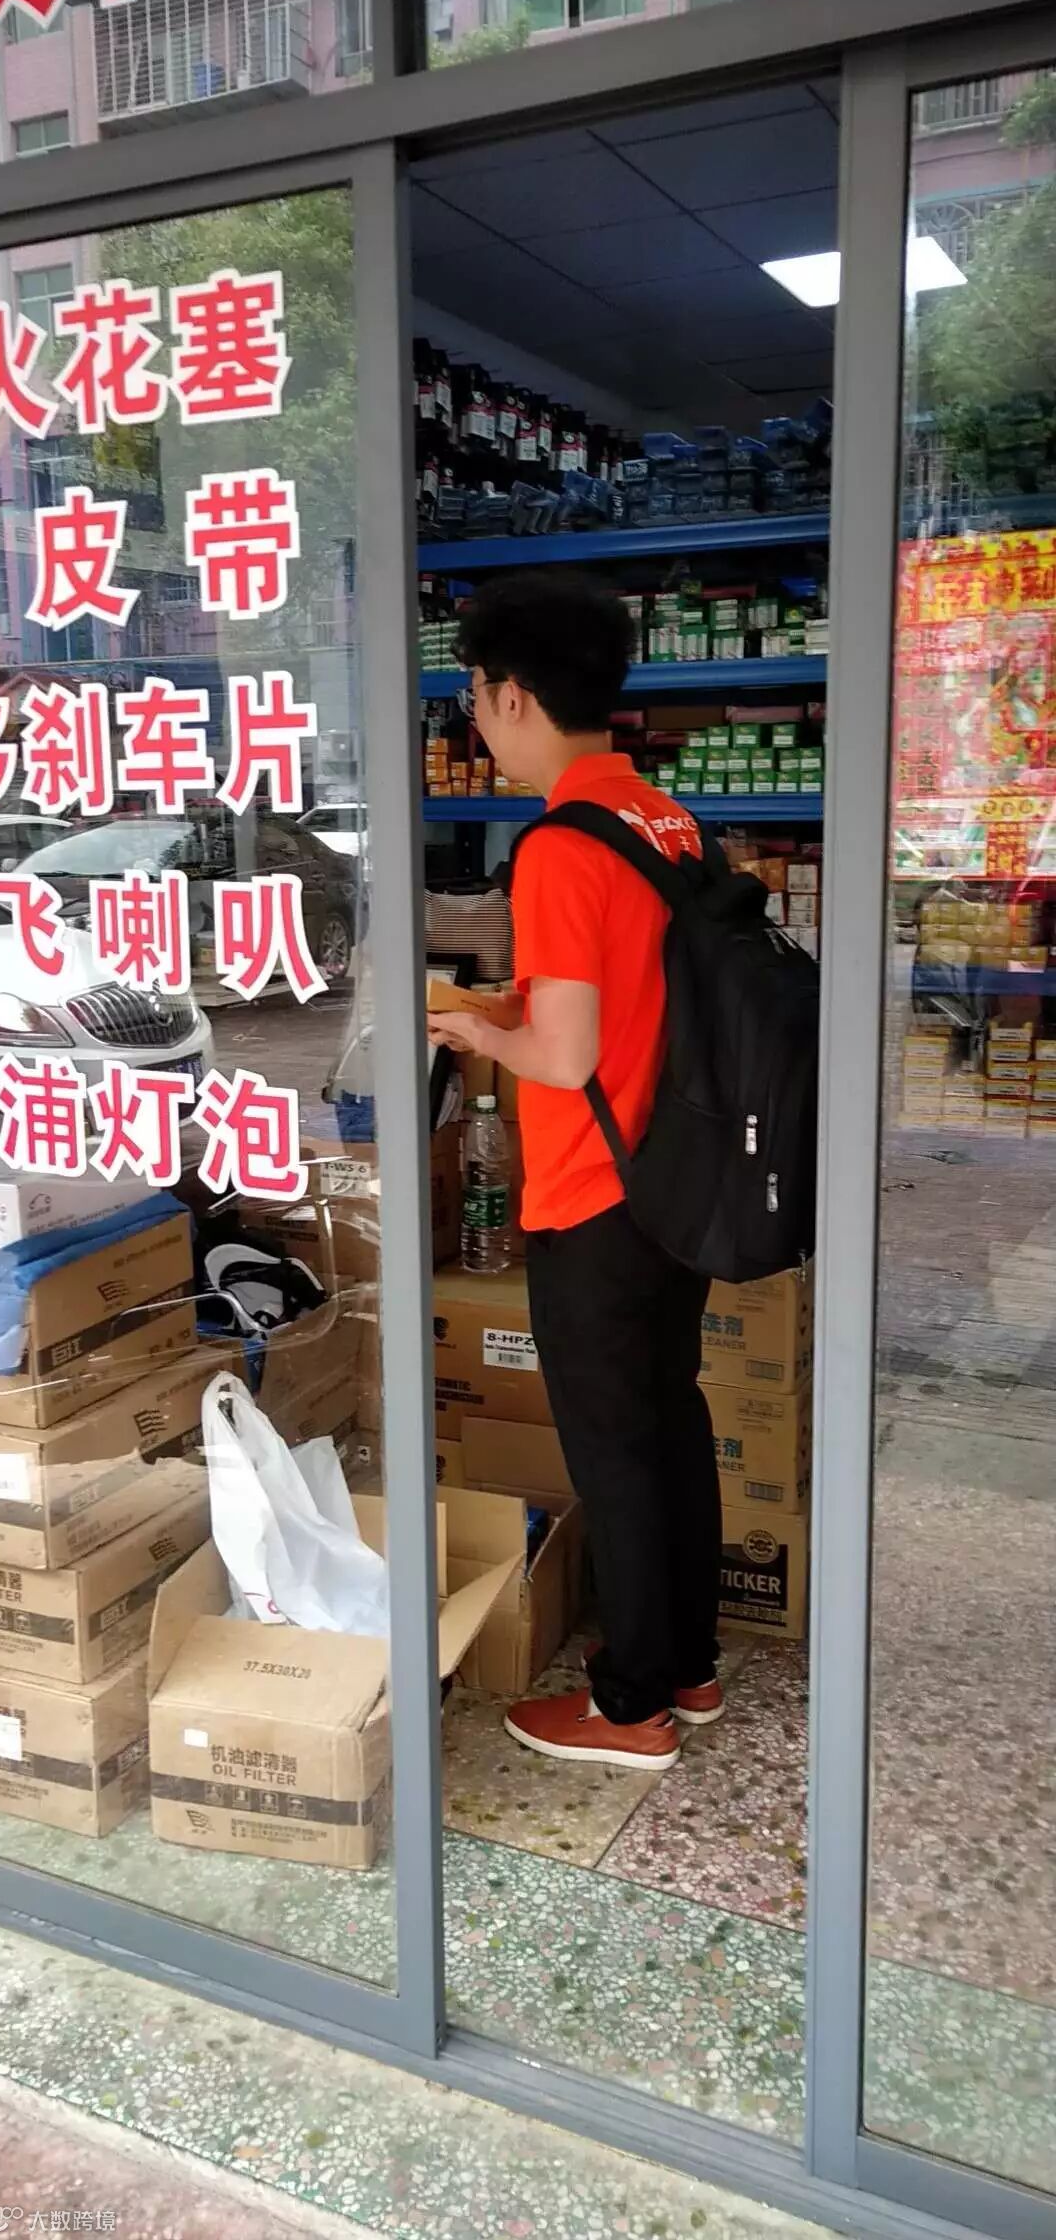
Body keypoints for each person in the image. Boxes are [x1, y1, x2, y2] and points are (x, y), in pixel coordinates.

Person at [427, 571, 722, 1772]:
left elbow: (565, 1053)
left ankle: (631, 1705)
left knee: (615, 1447)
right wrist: (516, 1004)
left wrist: (470, 1026)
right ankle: (689, 1664)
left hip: (594, 1193)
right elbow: (630, 994)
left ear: (512, 694)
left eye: (473, 696)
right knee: (671, 1419)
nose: (474, 721)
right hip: (676, 1180)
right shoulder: (662, 819)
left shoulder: (557, 844)